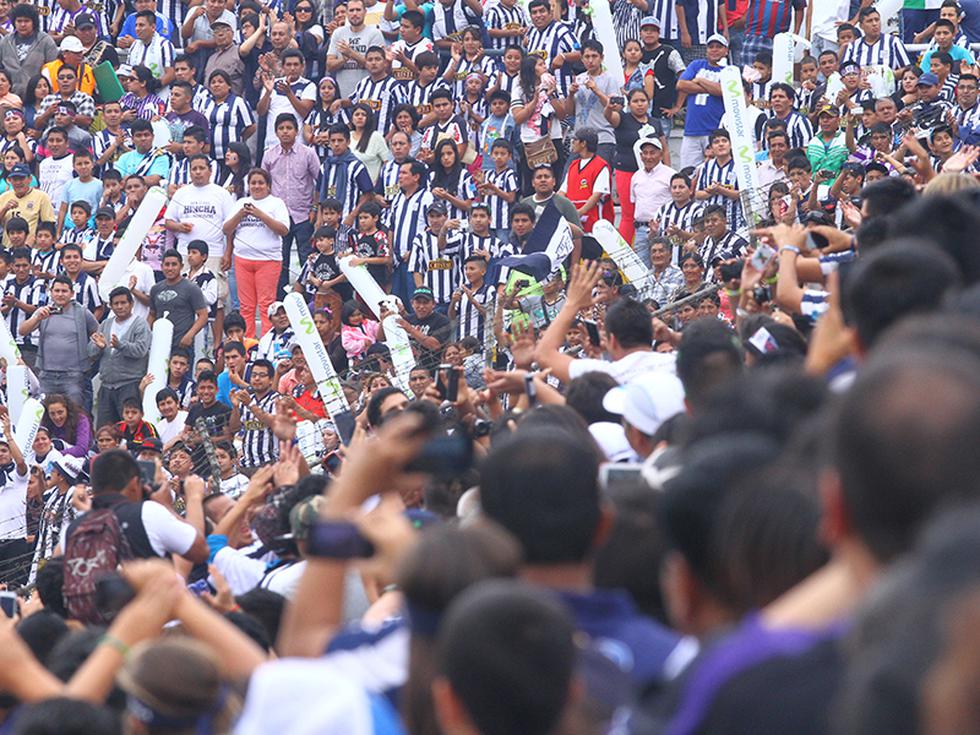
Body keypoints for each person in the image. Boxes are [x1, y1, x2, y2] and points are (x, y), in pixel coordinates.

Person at [225, 167, 290, 337]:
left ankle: (268, 342)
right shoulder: (241, 203)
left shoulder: (276, 203)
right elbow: (226, 229)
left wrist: (260, 214)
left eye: (261, 183)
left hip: (268, 260)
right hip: (243, 259)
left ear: (268, 185)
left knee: (266, 304)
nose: (256, 186)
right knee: (246, 306)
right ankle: (248, 343)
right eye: (253, 183)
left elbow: (283, 230)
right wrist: (240, 214)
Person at [262, 113, 321, 300]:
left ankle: (308, 299)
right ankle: (280, 302)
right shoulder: (269, 155)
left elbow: (320, 181)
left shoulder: (308, 153)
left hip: (304, 214)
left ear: (296, 132)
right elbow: (263, 184)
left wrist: (315, 208)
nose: (285, 132)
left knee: (306, 258)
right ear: (276, 132)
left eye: (289, 128)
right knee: (280, 260)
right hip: (278, 218)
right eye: (281, 129)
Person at [18, 274, 97, 406]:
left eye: (64, 291)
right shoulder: (44, 311)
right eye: (57, 291)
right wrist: (37, 318)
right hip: (46, 374)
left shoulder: (82, 312)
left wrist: (92, 352)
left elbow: (97, 333)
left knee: (74, 414)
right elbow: (22, 331)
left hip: (73, 375)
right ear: (51, 292)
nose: (60, 294)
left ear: (72, 293)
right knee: (45, 414)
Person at [89, 285, 151, 427]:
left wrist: (120, 345)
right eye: (116, 303)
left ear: (131, 304)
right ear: (110, 306)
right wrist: (99, 347)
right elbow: (91, 352)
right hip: (106, 386)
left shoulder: (140, 324)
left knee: (129, 427)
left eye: (123, 303)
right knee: (105, 429)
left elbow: (141, 350)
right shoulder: (105, 324)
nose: (120, 306)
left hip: (129, 384)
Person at [149, 249, 209, 352]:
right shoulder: (155, 289)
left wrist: (189, 335)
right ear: (161, 267)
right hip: (159, 344)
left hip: (182, 345)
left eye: (174, 264)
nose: (170, 268)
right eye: (167, 265)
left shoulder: (191, 288)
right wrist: (147, 334)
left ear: (181, 266)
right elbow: (152, 314)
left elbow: (203, 316)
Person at [0, 5, 58, 99]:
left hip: (38, 99)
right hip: (10, 98)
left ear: (34, 22)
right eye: (19, 21)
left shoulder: (45, 41)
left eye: (26, 21)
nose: (23, 24)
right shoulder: (5, 42)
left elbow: (54, 70)